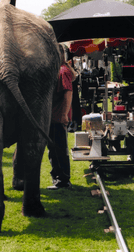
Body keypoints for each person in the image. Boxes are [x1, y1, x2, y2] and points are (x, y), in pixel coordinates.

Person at [47, 44, 76, 190]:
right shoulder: (60, 70)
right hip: (54, 116)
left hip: (58, 117)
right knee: (54, 149)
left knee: (58, 149)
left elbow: (68, 93)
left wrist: (64, 114)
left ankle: (63, 180)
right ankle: (59, 178)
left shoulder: (63, 71)